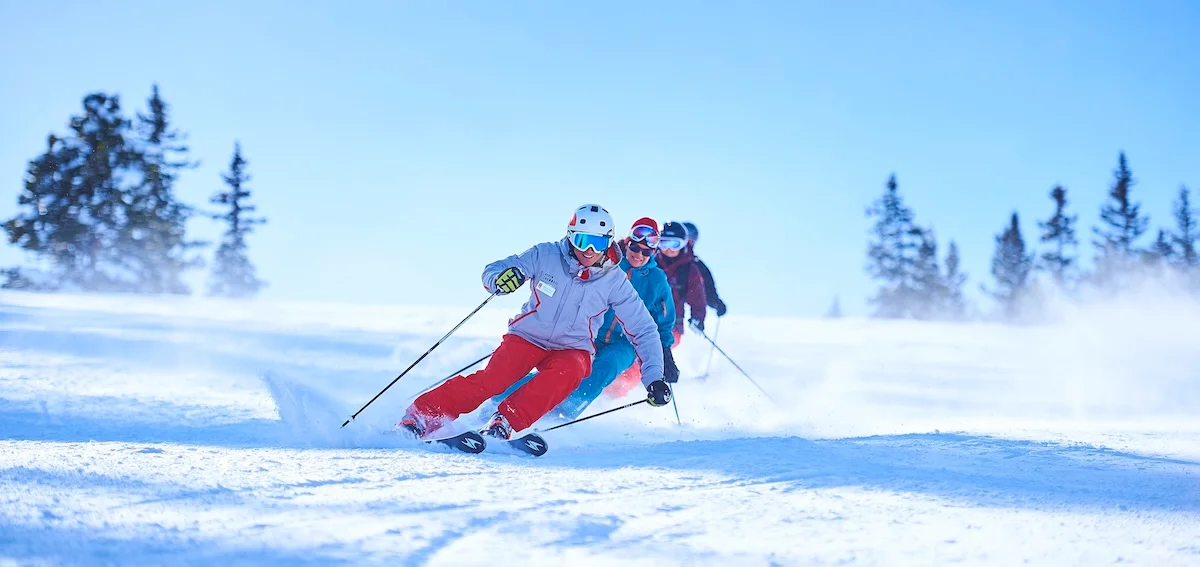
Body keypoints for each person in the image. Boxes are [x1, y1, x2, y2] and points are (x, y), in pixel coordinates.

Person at [398, 204, 675, 441]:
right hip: (528, 337)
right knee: (493, 380)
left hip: (572, 348)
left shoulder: (614, 279)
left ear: (610, 242)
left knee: (570, 371)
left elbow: (644, 328)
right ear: (571, 237)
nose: (589, 251)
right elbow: (494, 270)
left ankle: (504, 422)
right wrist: (501, 279)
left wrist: (654, 377)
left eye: (599, 243)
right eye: (583, 241)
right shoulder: (546, 255)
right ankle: (421, 416)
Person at [553, 218, 678, 419]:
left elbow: (663, 320)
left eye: (646, 252)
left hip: (625, 344)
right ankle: (508, 396)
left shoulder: (657, 280)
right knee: (564, 369)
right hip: (591, 332)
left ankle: (564, 411)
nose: (639, 255)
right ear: (627, 243)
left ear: (653, 253)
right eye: (635, 248)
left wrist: (665, 351)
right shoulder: (609, 265)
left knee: (605, 367)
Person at [656, 221, 707, 344]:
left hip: (673, 326)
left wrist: (697, 317)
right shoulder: (650, 263)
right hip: (647, 321)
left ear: (683, 244)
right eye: (664, 243)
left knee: (658, 348)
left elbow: (697, 297)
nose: (669, 249)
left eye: (674, 244)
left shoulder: (688, 270)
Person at [681, 222, 728, 318]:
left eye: (691, 242)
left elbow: (707, 288)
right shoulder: (657, 259)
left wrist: (716, 303)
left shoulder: (696, 265)